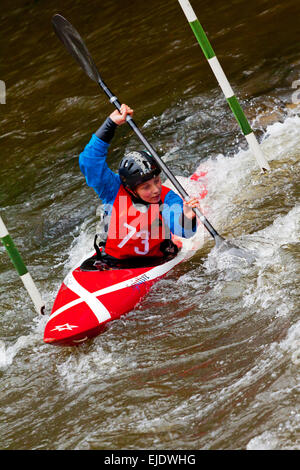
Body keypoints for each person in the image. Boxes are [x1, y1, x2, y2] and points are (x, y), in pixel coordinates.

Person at [79, 104, 201, 269]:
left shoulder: (166, 198)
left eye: (157, 181)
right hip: (112, 260)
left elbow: (184, 231)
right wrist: (110, 124)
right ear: (130, 188)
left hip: (154, 262)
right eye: (146, 187)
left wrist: (187, 216)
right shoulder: (112, 189)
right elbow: (89, 162)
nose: (156, 189)